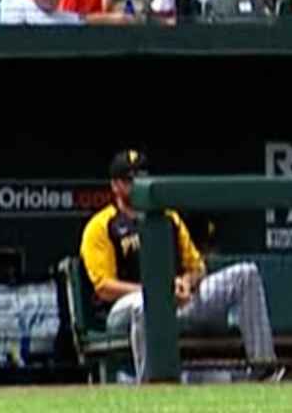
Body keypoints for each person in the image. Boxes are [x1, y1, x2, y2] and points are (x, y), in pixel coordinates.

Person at [82, 149, 277, 382]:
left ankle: (264, 369)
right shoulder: (101, 225)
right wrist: (157, 292)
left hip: (177, 300)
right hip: (126, 308)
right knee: (146, 305)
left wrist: (186, 282)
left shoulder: (169, 217)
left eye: (140, 178)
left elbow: (197, 267)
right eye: (129, 180)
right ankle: (153, 384)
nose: (136, 185)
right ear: (115, 185)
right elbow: (104, 287)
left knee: (246, 274)